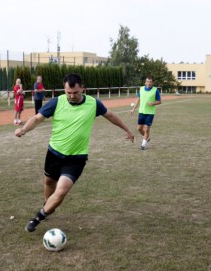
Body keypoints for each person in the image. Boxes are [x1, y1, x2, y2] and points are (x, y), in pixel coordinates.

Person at [15, 73, 135, 232]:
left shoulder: (93, 104)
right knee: (50, 182)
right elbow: (37, 118)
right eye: (68, 92)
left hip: (76, 158)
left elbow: (110, 115)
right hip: (54, 153)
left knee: (62, 189)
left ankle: (39, 217)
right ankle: (48, 205)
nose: (71, 96)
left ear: (82, 88)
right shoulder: (57, 102)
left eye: (75, 92)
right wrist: (24, 129)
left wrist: (127, 129)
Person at [130, 76, 162, 150]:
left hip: (150, 113)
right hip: (141, 112)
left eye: (150, 81)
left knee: (147, 129)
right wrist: (133, 109)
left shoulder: (155, 90)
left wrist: (153, 103)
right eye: (147, 81)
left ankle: (143, 145)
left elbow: (160, 101)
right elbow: (138, 99)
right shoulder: (141, 89)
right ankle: (147, 138)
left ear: (152, 82)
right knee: (139, 128)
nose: (149, 83)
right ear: (145, 82)